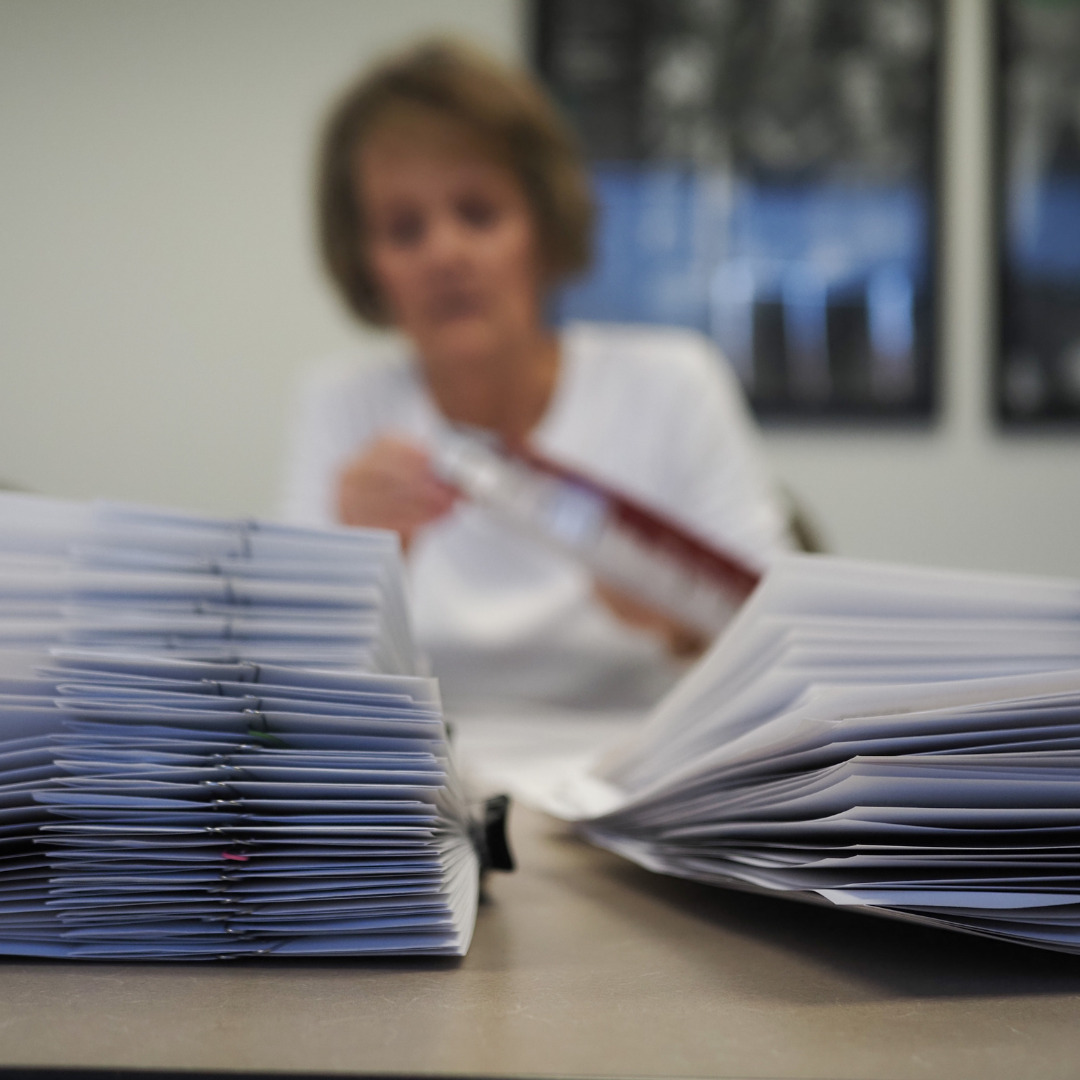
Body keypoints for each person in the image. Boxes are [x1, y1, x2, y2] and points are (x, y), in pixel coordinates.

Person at [280, 39, 794, 709]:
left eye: (478, 212)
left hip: (631, 790)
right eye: (404, 229)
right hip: (427, 795)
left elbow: (789, 642)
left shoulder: (673, 385)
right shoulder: (342, 407)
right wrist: (352, 573)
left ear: (544, 224)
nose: (445, 253)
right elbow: (285, 701)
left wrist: (678, 618)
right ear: (365, 262)